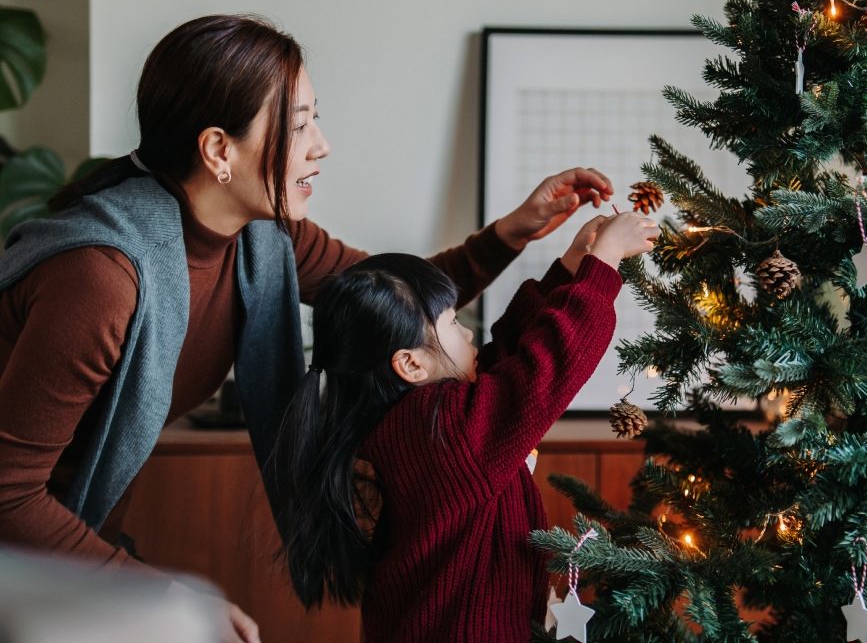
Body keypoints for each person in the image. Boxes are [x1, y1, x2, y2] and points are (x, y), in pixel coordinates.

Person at [0, 14, 616, 643]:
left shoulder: (265, 235)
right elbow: (8, 494)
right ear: (218, 150)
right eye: (297, 126)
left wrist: (515, 229)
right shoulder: (102, 279)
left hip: (68, 544)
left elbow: (396, 305)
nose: (321, 145)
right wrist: (155, 593)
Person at [269, 208, 658, 642]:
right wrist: (602, 263)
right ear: (411, 364)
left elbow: (505, 361)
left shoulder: (419, 419)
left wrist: (569, 268)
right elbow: (544, 367)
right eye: (453, 323)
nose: (470, 334)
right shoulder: (445, 428)